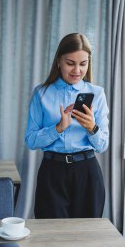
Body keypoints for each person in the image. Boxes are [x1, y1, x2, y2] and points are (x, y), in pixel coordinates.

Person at [25, 33, 109, 218]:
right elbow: (31, 141)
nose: (77, 70)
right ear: (58, 62)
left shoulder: (97, 94)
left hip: (87, 173)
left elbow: (102, 145)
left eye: (83, 63)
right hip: (52, 173)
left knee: (85, 237)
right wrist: (57, 128)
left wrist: (91, 128)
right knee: (51, 237)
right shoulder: (41, 93)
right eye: (70, 63)